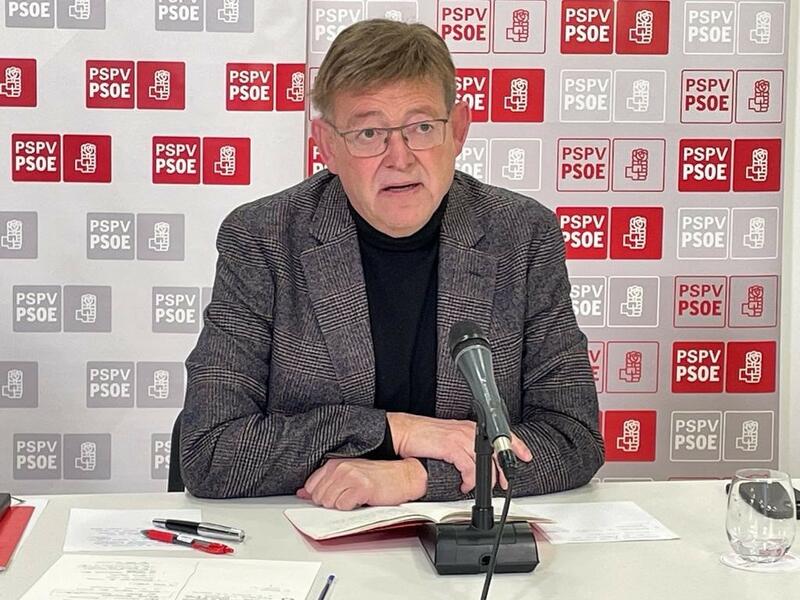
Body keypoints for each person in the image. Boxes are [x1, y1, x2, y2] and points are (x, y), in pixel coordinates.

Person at [181, 19, 604, 510]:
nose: (399, 158)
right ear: (327, 145)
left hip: (464, 543)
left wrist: (416, 477)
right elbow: (210, 452)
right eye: (369, 133)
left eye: (422, 127)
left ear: (458, 130)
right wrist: (395, 431)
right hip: (309, 537)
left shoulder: (522, 235)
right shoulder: (263, 238)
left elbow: (573, 439)